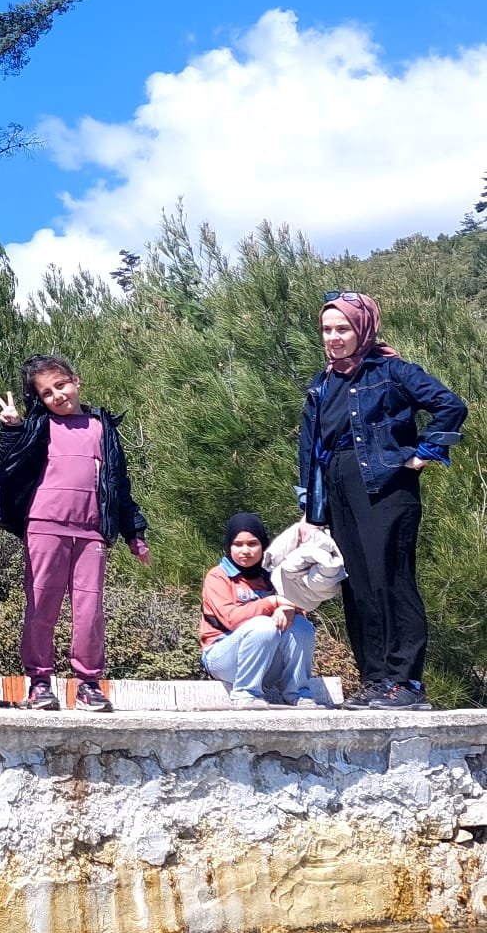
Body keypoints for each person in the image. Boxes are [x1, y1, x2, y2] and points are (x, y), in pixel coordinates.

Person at [297, 290, 467, 710]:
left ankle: (405, 683)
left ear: (363, 329)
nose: (333, 337)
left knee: (389, 579)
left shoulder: (391, 371)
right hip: (338, 488)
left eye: (343, 328)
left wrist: (421, 455)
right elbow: (311, 447)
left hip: (386, 486)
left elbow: (450, 406)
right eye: (327, 329)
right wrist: (310, 509)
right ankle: (375, 680)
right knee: (358, 585)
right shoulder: (322, 383)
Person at [0, 355, 149, 713]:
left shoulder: (102, 427)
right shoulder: (40, 426)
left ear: (76, 381)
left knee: (90, 611)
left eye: (61, 385)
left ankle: (89, 685)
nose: (57, 395)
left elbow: (118, 484)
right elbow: (10, 465)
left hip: (92, 533)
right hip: (44, 528)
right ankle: (39, 684)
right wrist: (12, 428)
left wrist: (134, 534)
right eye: (47, 393)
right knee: (40, 609)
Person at [200, 512, 317, 705]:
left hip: (265, 661)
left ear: (263, 545)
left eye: (252, 544)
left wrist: (287, 609)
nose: (245, 550)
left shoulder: (273, 576)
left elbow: (299, 607)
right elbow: (232, 619)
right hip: (223, 658)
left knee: (301, 626)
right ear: (229, 546)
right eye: (238, 544)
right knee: (263, 626)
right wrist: (272, 603)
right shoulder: (218, 576)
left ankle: (298, 693)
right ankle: (245, 694)